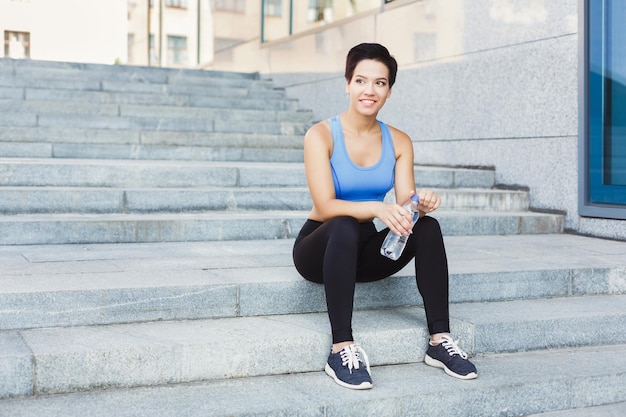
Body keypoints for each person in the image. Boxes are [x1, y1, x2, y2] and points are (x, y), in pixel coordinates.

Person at [292, 43, 477, 390]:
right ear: (347, 83)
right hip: (319, 247)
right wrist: (377, 208)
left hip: (363, 251)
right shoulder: (320, 135)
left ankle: (440, 341)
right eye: (361, 80)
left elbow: (406, 202)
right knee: (345, 224)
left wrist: (421, 203)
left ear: (389, 91)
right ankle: (341, 348)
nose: (369, 90)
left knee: (429, 227)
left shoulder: (400, 141)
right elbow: (325, 205)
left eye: (379, 83)